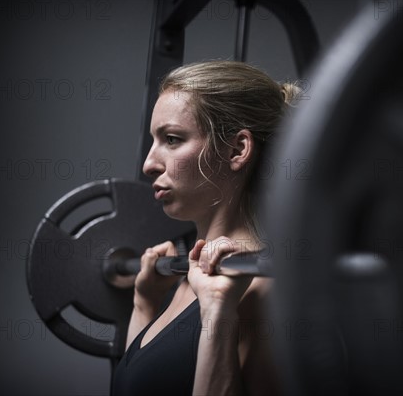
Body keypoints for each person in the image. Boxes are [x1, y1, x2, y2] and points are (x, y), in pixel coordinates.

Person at [112, 60, 301, 395]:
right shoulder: (186, 281)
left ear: (237, 149)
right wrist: (144, 304)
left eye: (171, 139)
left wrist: (218, 314)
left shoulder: (264, 294)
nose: (149, 164)